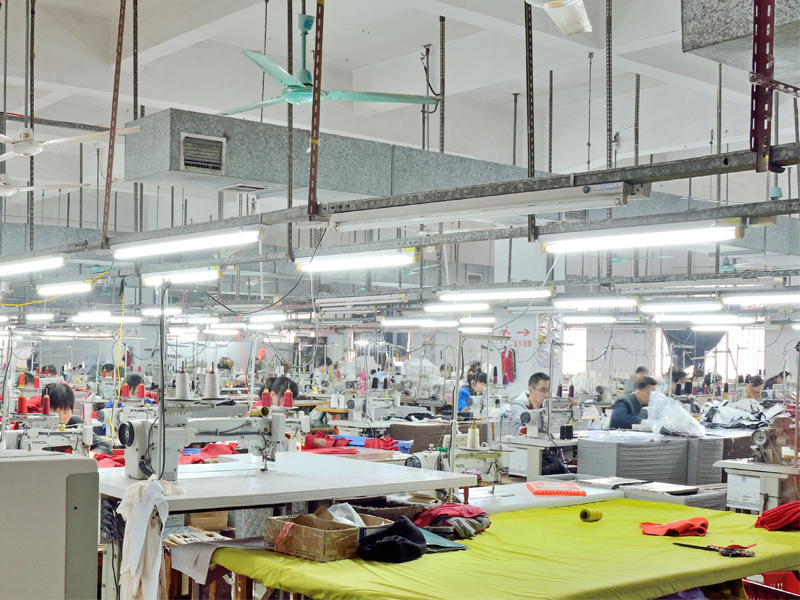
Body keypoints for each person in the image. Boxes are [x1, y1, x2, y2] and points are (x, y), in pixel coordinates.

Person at [46, 383, 112, 456]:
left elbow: (105, 447)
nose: (61, 417)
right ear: (44, 409)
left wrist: (90, 455)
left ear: (72, 410)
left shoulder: (77, 424)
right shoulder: (37, 428)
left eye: (66, 412)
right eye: (56, 412)